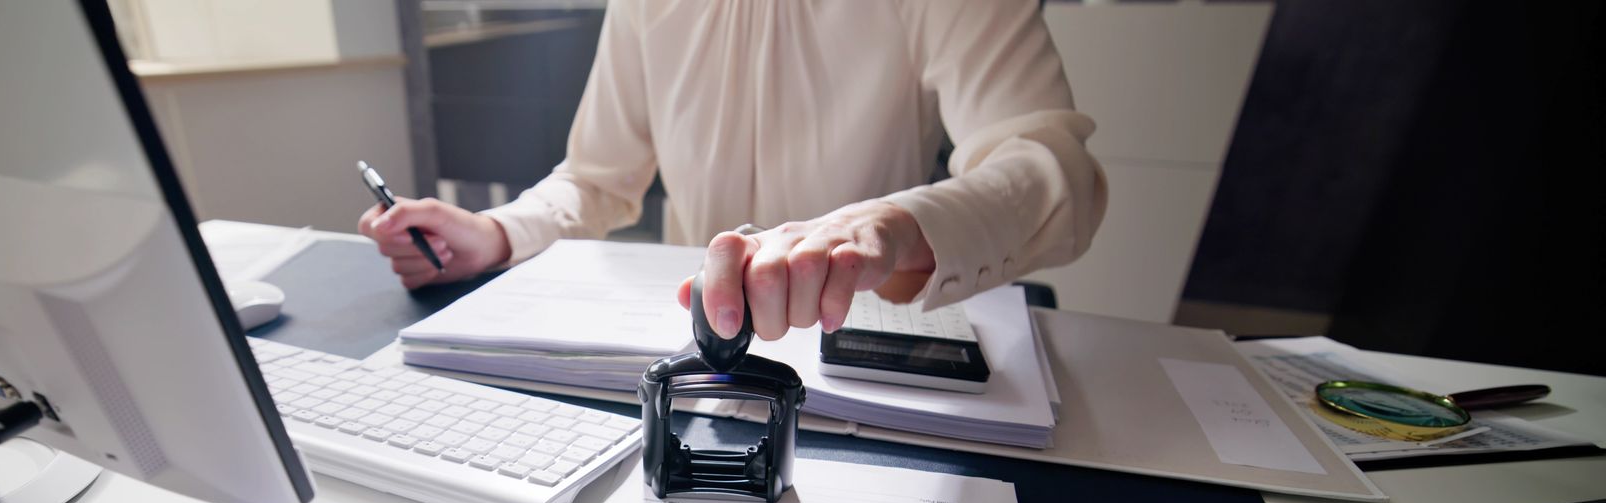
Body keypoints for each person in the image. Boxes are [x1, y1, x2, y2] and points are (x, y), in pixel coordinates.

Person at [359, 0, 1106, 344]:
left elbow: (1051, 167)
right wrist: (493, 232)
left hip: (867, 342)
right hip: (693, 344)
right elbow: (595, 179)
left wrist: (894, 226)